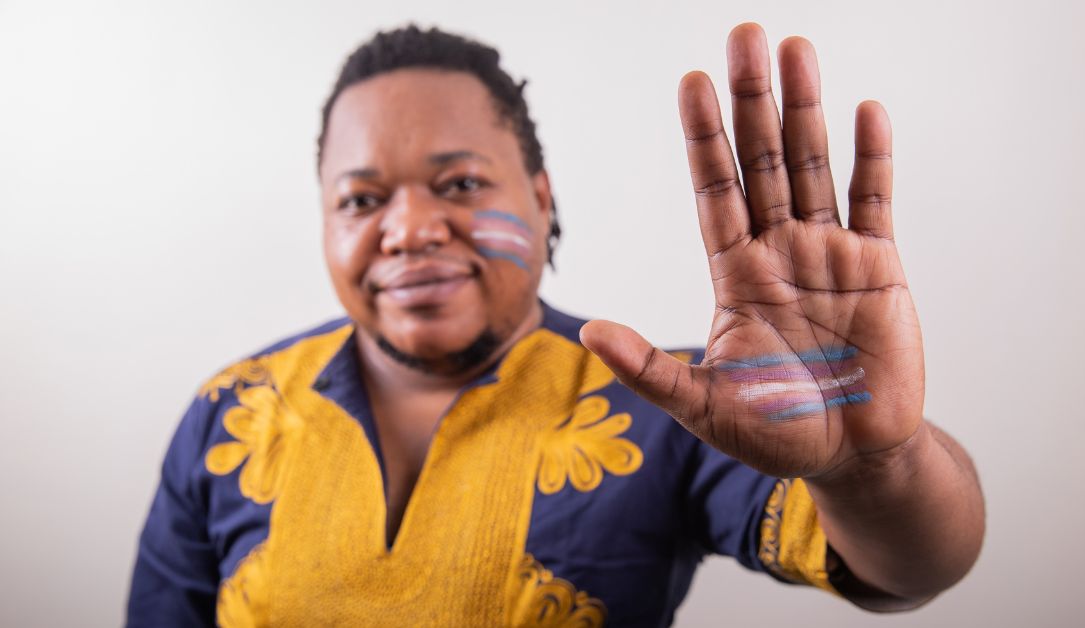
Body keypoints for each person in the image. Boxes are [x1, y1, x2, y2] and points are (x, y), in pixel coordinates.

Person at [127, 22, 985, 627]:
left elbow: (909, 569)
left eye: (460, 184)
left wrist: (875, 463)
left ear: (540, 200)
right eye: (361, 199)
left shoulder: (686, 403)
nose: (412, 228)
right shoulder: (229, 412)